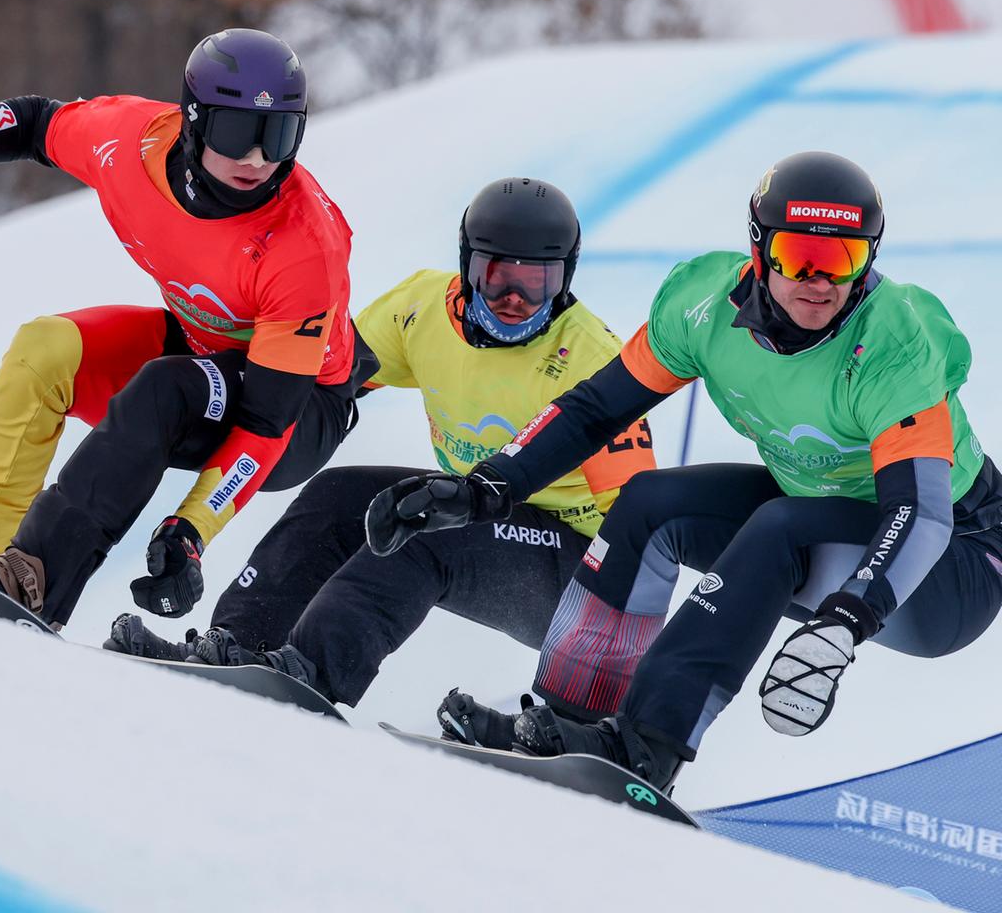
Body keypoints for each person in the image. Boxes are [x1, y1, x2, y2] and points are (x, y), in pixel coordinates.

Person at [364, 152, 1002, 790]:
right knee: (651, 501)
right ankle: (568, 720)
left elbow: (920, 512)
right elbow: (594, 411)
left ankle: (649, 749)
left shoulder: (895, 341)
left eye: (843, 260)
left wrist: (848, 618)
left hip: (954, 563)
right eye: (798, 256)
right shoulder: (701, 305)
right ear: (758, 249)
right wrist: (488, 486)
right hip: (821, 512)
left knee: (782, 525)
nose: (819, 281)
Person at [0, 29, 375, 627]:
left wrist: (192, 528)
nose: (258, 159)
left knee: (166, 387)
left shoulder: (303, 246)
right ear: (195, 120)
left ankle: (32, 582)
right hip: (203, 347)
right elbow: (35, 123)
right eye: (238, 134)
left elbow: (265, 421)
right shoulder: (131, 142)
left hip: (297, 406)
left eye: (278, 136)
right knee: (45, 348)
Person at [107, 177, 657, 711]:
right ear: (467, 266)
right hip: (483, 518)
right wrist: (216, 422)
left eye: (536, 282)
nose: (513, 298)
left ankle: (314, 674)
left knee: (425, 532)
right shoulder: (418, 312)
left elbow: (642, 525)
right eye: (495, 276)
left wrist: (626, 688)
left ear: (565, 279)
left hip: (578, 577)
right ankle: (239, 644)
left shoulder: (592, 359)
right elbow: (318, 387)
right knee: (337, 495)